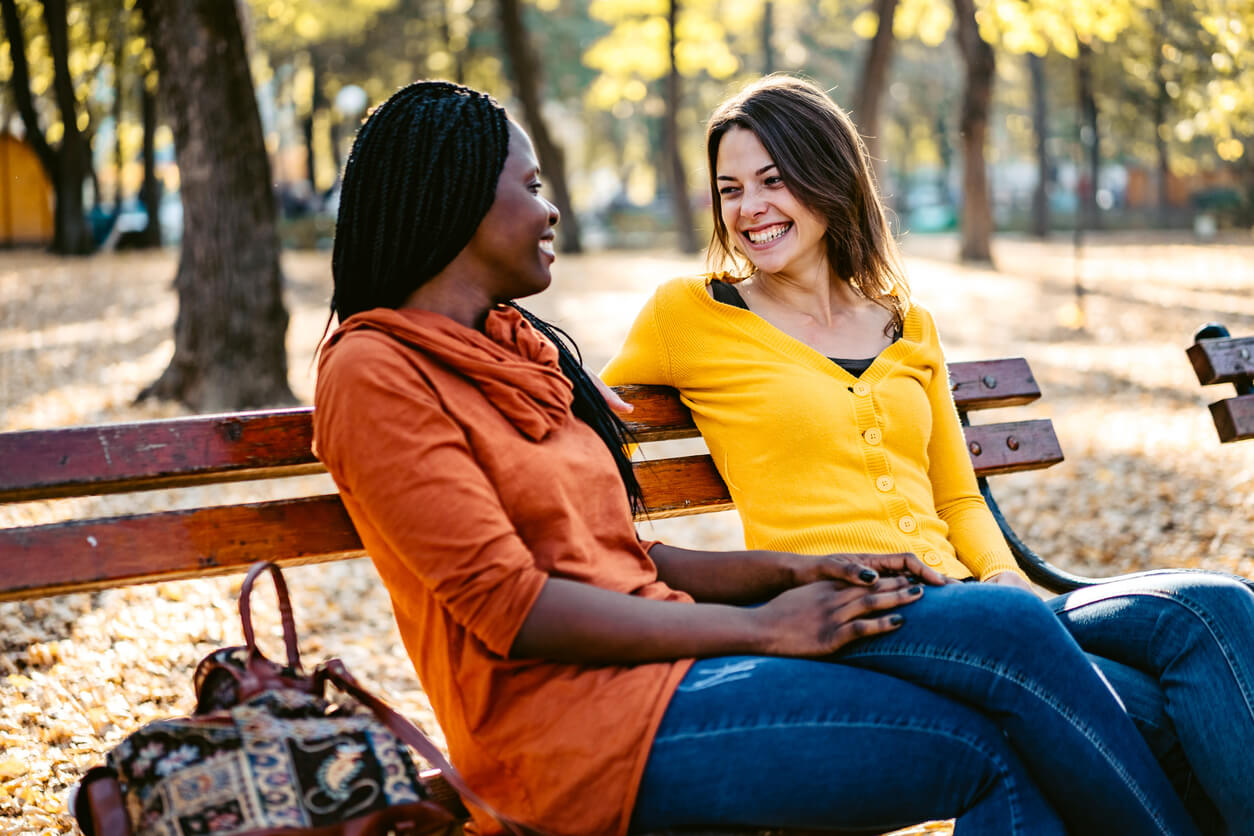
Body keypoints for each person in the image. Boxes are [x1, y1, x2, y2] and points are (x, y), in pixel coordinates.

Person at [312, 80, 1200, 836]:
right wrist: (767, 623)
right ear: (458, 196)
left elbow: (626, 561)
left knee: (1030, 676)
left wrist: (802, 569)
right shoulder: (375, 373)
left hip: (665, 678)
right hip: (567, 730)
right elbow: (515, 607)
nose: (553, 210)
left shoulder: (513, 352)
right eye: (533, 185)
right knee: (997, 714)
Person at [602, 73, 1254, 834]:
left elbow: (957, 499)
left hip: (982, 609)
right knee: (1129, 703)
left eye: (773, 181)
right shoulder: (689, 314)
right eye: (730, 189)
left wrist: (1006, 583)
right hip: (855, 611)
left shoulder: (906, 324)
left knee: (1213, 608)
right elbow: (576, 416)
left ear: (828, 176)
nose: (750, 209)